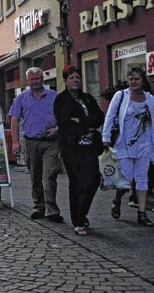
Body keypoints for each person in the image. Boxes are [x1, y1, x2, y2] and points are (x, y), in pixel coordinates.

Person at [54, 66, 104, 236]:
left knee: (94, 180)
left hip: (89, 147)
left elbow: (99, 117)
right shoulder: (61, 100)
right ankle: (78, 220)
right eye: (71, 78)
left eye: (77, 77)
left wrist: (81, 121)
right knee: (77, 182)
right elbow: (65, 122)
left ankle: (82, 212)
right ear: (65, 81)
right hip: (71, 147)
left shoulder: (88, 98)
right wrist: (87, 125)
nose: (75, 80)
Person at [9, 67, 63, 222]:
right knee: (35, 177)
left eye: (37, 79)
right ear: (28, 81)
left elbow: (63, 116)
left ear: (42, 79)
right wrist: (15, 142)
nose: (34, 82)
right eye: (31, 79)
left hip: (51, 142)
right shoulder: (21, 98)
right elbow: (14, 119)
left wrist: (58, 129)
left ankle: (52, 210)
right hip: (31, 142)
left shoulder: (54, 96)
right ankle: (38, 207)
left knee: (49, 176)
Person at [102, 67, 154, 226]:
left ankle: (142, 213)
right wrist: (106, 136)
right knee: (126, 180)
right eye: (131, 79)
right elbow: (110, 116)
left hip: (144, 145)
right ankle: (116, 200)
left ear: (142, 80)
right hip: (124, 144)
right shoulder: (121, 96)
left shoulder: (150, 99)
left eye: (137, 79)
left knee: (142, 179)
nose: (133, 82)